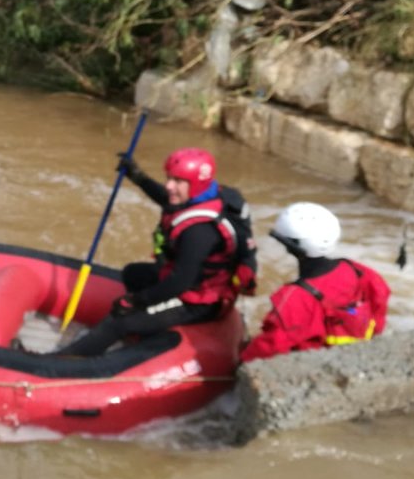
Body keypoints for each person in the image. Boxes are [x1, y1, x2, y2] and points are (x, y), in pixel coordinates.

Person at [58, 147, 255, 356]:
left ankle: (61, 360)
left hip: (198, 302)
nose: (169, 185)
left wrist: (136, 301)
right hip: (192, 281)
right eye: (169, 178)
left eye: (177, 181)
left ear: (196, 185)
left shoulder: (200, 232)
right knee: (133, 274)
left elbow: (180, 282)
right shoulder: (206, 195)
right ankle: (147, 331)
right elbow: (166, 198)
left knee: (120, 319)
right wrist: (138, 176)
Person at [241, 202, 390, 362]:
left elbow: (270, 346)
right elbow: (380, 303)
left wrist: (240, 362)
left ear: (291, 247)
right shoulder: (358, 271)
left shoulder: (294, 298)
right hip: (355, 357)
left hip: (313, 365)